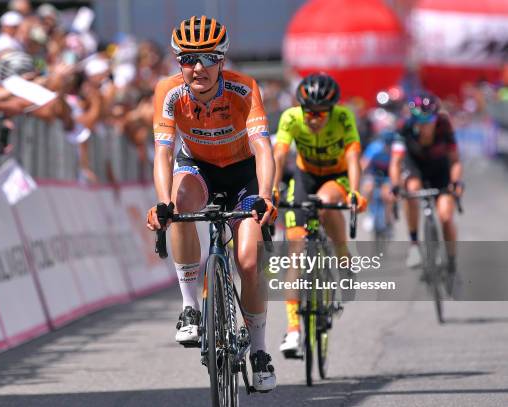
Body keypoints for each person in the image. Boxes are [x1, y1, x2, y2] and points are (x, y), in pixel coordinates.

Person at [145, 16, 277, 391]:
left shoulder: (244, 88)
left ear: (223, 60)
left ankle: (259, 351)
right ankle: (190, 307)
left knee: (249, 261)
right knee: (179, 202)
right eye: (188, 59)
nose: (198, 67)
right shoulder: (169, 92)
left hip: (243, 174)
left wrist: (265, 195)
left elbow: (263, 147)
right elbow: (163, 153)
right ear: (178, 62)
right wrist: (162, 202)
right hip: (197, 167)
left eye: (208, 58)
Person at [272, 73, 366, 358]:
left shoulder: (343, 118)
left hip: (336, 177)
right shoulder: (290, 117)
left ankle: (342, 255)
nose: (314, 118)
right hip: (305, 176)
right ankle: (292, 330)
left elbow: (352, 157)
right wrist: (273, 188)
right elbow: (279, 155)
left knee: (325, 202)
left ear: (331, 110)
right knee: (296, 252)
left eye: (320, 113)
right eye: (309, 112)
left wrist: (355, 192)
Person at [389, 92, 463, 270]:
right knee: (412, 191)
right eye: (419, 121)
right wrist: (395, 185)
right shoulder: (404, 127)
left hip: (440, 170)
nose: (424, 126)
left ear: (436, 117)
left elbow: (455, 161)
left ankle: (451, 259)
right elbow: (396, 162)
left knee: (445, 216)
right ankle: (414, 244)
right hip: (416, 167)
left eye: (428, 120)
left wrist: (456, 182)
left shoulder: (445, 126)